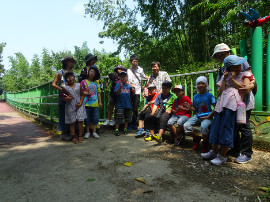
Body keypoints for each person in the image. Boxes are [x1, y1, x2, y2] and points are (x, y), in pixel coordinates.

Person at [201, 55, 254, 166]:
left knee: (227, 130)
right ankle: (214, 152)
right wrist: (225, 78)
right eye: (235, 67)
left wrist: (233, 79)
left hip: (233, 106)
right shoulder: (225, 75)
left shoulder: (245, 74)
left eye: (239, 65)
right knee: (215, 128)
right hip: (221, 105)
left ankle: (223, 156)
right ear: (230, 68)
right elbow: (220, 91)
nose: (239, 68)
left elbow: (244, 89)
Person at [183, 76, 216, 153]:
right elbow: (195, 109)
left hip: (207, 116)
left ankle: (205, 143)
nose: (200, 85)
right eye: (198, 84)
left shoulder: (209, 95)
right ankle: (196, 139)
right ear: (196, 86)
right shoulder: (195, 96)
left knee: (204, 126)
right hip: (198, 115)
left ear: (206, 85)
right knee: (186, 125)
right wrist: (190, 108)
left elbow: (216, 107)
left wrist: (209, 116)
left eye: (202, 83)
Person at [51, 56, 77, 141]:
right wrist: (62, 89)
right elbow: (54, 84)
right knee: (63, 112)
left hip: (72, 95)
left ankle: (72, 132)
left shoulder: (74, 73)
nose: (71, 63)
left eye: (72, 62)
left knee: (72, 112)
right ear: (65, 62)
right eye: (69, 61)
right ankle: (63, 132)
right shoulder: (60, 72)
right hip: (63, 95)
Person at [62, 71, 86, 143]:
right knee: (71, 122)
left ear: (74, 77)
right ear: (66, 80)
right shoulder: (65, 88)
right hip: (70, 105)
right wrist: (66, 99)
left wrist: (80, 103)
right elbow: (63, 97)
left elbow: (82, 94)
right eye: (67, 77)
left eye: (71, 76)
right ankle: (73, 136)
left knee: (80, 120)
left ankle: (80, 135)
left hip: (79, 104)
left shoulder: (79, 85)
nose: (70, 78)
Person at [127, 54, 148, 130]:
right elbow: (127, 81)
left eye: (136, 61)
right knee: (129, 108)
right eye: (133, 61)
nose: (135, 63)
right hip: (130, 91)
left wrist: (149, 78)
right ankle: (128, 124)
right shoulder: (128, 71)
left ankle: (133, 123)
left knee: (135, 108)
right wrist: (131, 86)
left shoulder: (140, 70)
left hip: (137, 91)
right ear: (131, 62)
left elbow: (144, 76)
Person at [81, 66, 102, 139]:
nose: (92, 73)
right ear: (88, 72)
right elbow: (80, 91)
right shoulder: (84, 81)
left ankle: (94, 132)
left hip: (95, 104)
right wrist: (86, 93)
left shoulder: (97, 83)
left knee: (95, 119)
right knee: (87, 119)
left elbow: (99, 93)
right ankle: (87, 132)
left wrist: (100, 102)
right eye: (91, 71)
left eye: (94, 72)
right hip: (86, 103)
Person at [114, 71, 135, 136]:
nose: (123, 78)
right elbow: (116, 93)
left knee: (127, 118)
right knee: (119, 118)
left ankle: (125, 129)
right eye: (121, 77)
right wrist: (120, 87)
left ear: (127, 77)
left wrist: (133, 90)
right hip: (120, 105)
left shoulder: (129, 86)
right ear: (120, 78)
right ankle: (116, 129)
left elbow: (133, 95)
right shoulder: (118, 84)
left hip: (128, 105)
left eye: (124, 77)